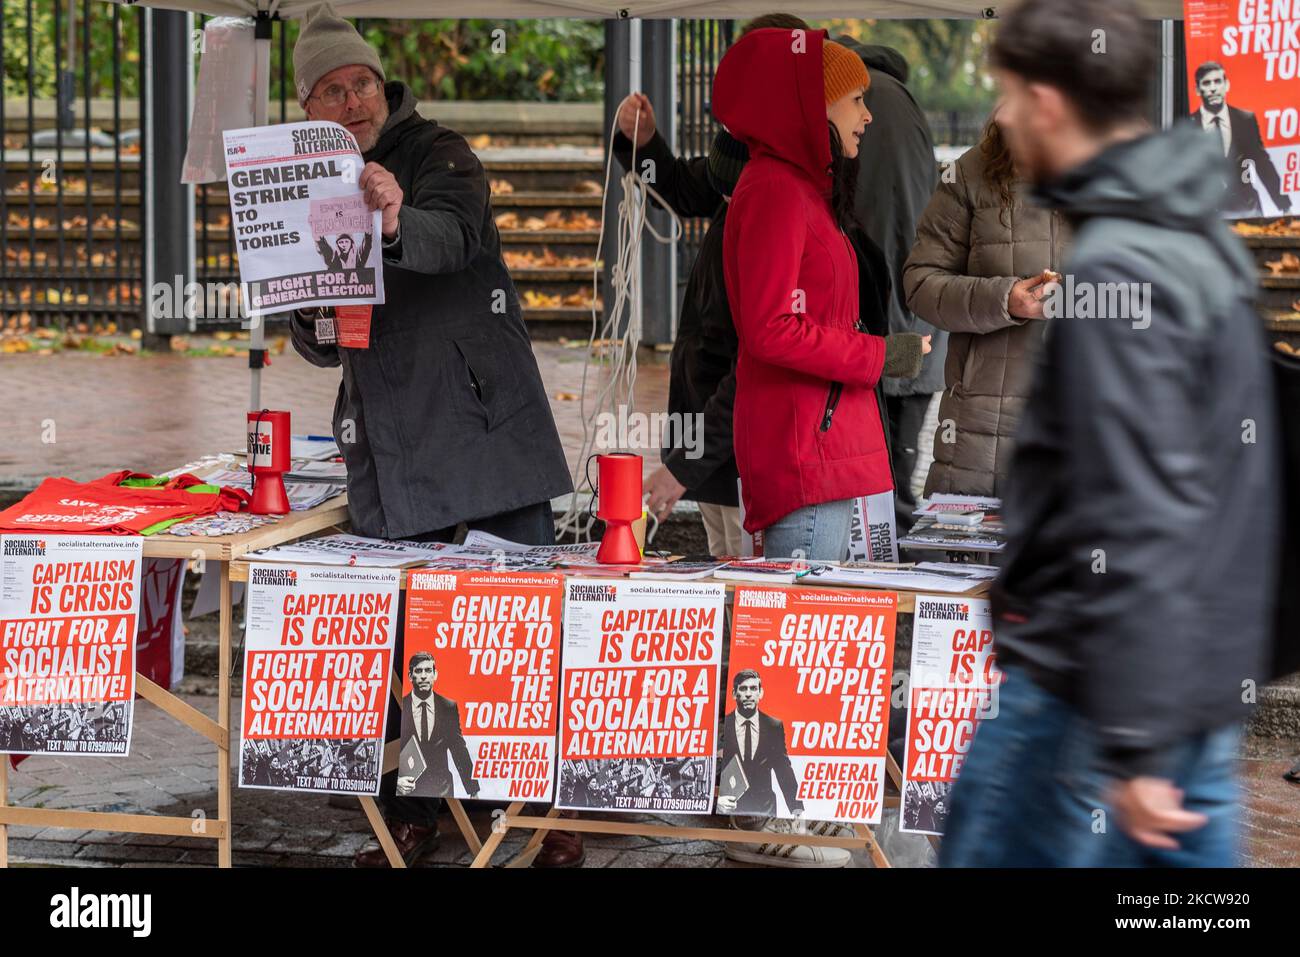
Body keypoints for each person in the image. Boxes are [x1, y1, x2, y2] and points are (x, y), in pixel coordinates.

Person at [940, 0, 1281, 868]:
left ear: (1049, 102)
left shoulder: (1123, 263)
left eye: (1011, 94)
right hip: (1179, 692)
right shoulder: (1197, 235)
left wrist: (1130, 740)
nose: (1005, 116)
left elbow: (1139, 506)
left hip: (1087, 706)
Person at [286, 6, 572, 867]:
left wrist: (398, 215)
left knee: (507, 632)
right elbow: (309, 329)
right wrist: (314, 316)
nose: (352, 99)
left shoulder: (441, 152)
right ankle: (409, 813)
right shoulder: (303, 180)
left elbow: (451, 240)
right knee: (405, 643)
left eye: (362, 82)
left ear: (383, 87)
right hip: (390, 447)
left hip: (486, 436)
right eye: (333, 89)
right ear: (310, 106)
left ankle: (532, 815)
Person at [713, 28, 928, 562]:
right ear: (815, 107)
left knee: (812, 628)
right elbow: (772, 328)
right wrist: (881, 354)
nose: (868, 115)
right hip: (805, 449)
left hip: (820, 439)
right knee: (799, 634)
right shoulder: (776, 189)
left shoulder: (802, 188)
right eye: (856, 100)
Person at [612, 12, 810, 558]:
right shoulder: (741, 157)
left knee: (754, 572)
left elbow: (764, 356)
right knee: (728, 559)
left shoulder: (788, 183)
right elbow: (682, 187)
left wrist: (685, 465)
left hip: (748, 430)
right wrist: (646, 143)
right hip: (714, 411)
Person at [904, 116, 1070, 497]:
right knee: (976, 553)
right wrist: (1003, 299)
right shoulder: (970, 173)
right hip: (983, 434)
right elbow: (920, 281)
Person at [835, 35, 946, 527]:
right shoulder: (902, 101)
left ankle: (886, 580)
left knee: (876, 483)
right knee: (894, 475)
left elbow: (888, 222)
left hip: (884, 326)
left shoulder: (868, 100)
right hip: (912, 317)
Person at [1190, 61, 1293, 218]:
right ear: (1198, 89)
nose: (1213, 88)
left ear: (1227, 85)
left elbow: (1262, 162)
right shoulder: (1189, 126)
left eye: (1218, 81)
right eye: (1206, 83)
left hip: (1247, 210)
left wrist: (1284, 206)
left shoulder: (1245, 119)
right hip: (1209, 215)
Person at [397, 653, 480, 799]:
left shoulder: (448, 707)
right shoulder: (401, 705)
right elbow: (391, 750)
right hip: (408, 790)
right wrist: (396, 781)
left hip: (442, 790)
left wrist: (473, 791)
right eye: (418, 671)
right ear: (410, 676)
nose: (423, 676)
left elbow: (458, 748)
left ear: (435, 675)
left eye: (428, 671)